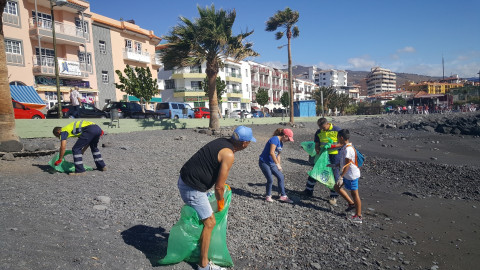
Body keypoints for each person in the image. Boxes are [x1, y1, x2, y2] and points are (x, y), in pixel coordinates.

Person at [177, 126, 255, 270]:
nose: (249, 145)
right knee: (210, 222)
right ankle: (203, 264)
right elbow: (219, 187)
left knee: (206, 217)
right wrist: (221, 202)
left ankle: (199, 247)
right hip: (191, 188)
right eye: (250, 142)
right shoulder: (229, 154)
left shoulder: (221, 141)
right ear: (245, 143)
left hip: (185, 179)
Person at [302, 118, 342, 206]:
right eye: (320, 127)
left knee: (334, 175)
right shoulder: (319, 132)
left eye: (323, 127)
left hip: (334, 155)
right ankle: (308, 191)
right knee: (315, 171)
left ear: (327, 123)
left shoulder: (337, 130)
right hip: (322, 155)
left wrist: (332, 145)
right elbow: (317, 143)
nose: (322, 129)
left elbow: (343, 143)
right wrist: (317, 149)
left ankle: (333, 197)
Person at [330, 129, 362, 224]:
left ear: (341, 138)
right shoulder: (345, 147)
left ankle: (358, 216)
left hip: (351, 175)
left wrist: (341, 177)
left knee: (355, 194)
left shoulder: (348, 149)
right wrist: (335, 165)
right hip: (347, 174)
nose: (337, 140)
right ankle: (351, 204)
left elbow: (347, 165)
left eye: (337, 138)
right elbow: (344, 162)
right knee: (336, 187)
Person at [259, 128, 294, 203]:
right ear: (285, 136)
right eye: (288, 139)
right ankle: (268, 196)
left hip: (272, 163)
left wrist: (279, 165)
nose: (288, 141)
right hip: (264, 162)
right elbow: (271, 152)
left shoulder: (281, 143)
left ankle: (283, 196)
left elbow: (278, 155)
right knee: (270, 179)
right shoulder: (274, 139)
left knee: (281, 176)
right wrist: (277, 164)